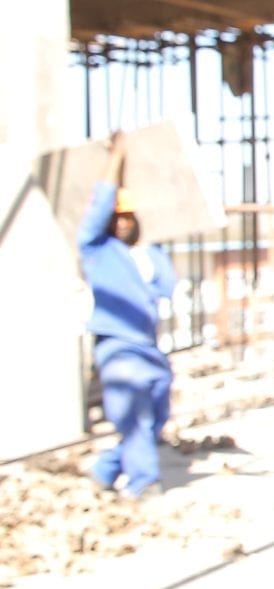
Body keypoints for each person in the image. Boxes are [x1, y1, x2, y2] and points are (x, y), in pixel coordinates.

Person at [79, 136, 178, 499]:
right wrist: (117, 157)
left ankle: (105, 469)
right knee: (135, 415)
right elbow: (100, 203)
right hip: (117, 345)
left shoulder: (148, 255)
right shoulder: (96, 249)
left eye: (127, 217)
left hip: (148, 348)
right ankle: (143, 484)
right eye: (116, 217)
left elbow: (166, 286)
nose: (122, 223)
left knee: (154, 419)